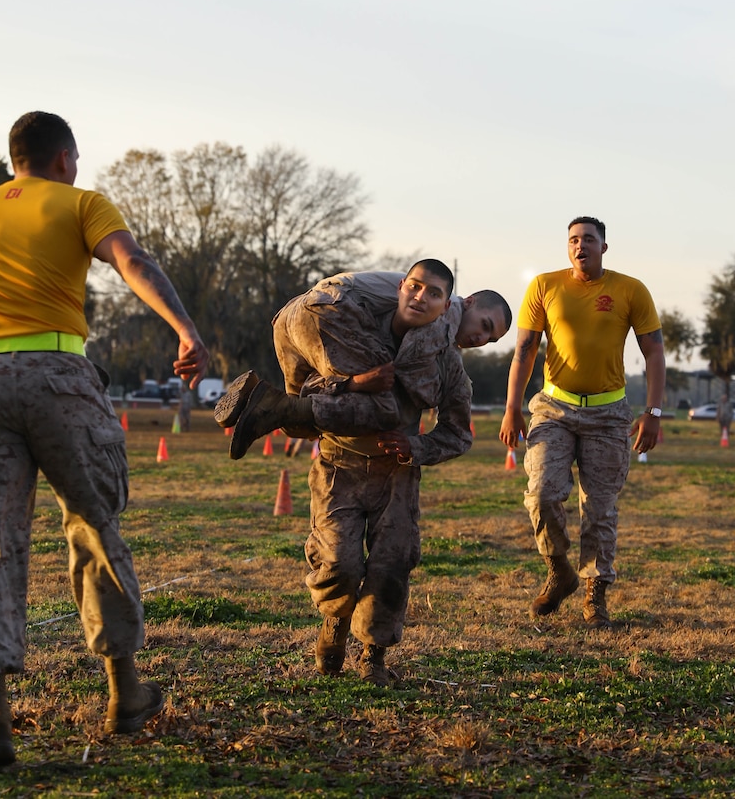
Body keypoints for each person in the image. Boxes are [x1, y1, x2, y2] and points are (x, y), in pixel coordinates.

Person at [0, 111, 209, 767]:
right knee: (94, 525)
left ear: (14, 158)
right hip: (58, 372)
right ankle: (125, 694)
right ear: (64, 159)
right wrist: (184, 329)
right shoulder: (81, 201)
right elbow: (131, 260)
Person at [222, 260, 479, 685]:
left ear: (446, 305)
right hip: (338, 466)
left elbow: (458, 434)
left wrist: (415, 447)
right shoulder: (352, 331)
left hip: (396, 476)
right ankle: (334, 624)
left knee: (392, 565)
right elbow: (311, 390)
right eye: (415, 287)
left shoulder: (446, 361)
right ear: (401, 287)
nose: (420, 297)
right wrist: (354, 382)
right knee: (339, 564)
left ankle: (373, 656)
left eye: (433, 293)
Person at [498, 216, 665, 628]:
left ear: (604, 247)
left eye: (588, 239)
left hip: (609, 415)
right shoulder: (544, 285)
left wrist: (653, 412)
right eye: (573, 240)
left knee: (600, 508)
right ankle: (559, 570)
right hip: (553, 409)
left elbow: (655, 353)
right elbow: (524, 351)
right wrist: (511, 406)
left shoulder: (630, 289)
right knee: (541, 493)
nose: (580, 246)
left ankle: (595, 593)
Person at [215, 269, 510, 458]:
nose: (480, 338)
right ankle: (269, 403)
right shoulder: (444, 315)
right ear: (467, 302)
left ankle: (249, 397)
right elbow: (405, 370)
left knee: (299, 423)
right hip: (332, 312)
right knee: (384, 407)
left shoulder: (432, 310)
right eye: (484, 325)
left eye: (491, 339)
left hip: (291, 318)